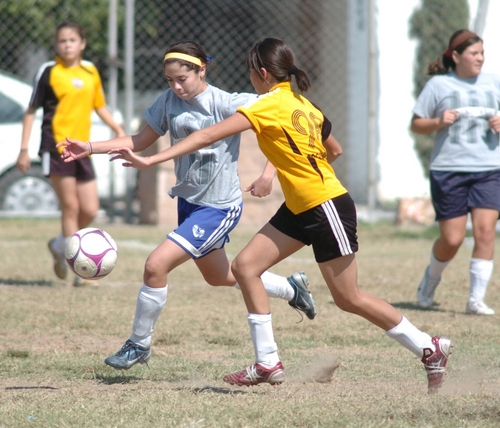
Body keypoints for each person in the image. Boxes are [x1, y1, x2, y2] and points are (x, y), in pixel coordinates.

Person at [62, 38, 453, 394]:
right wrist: (284, 170)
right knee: (245, 267)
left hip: (325, 206)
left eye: (250, 71)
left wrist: (151, 160)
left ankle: (428, 346)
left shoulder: (263, 104)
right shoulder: (302, 103)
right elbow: (332, 149)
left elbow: (206, 135)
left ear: (261, 73)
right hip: (300, 206)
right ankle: (268, 362)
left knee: (349, 298)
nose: (248, 77)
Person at [57, 40, 316, 370]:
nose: (176, 87)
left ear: (201, 70)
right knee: (219, 276)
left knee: (156, 265)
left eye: (183, 79)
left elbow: (283, 122)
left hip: (219, 208)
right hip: (189, 204)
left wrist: (268, 174)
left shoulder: (226, 103)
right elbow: (139, 141)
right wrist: (90, 147)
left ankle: (139, 344)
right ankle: (291, 288)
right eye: (170, 80)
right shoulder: (168, 101)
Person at [16, 20, 126, 287]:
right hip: (56, 147)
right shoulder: (49, 72)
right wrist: (24, 149)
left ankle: (58, 245)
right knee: (71, 207)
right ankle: (79, 272)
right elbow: (31, 111)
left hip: (82, 149)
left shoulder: (90, 72)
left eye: (72, 40)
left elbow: (99, 105)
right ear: (56, 45)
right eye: (62, 41)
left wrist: (117, 128)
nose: (67, 45)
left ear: (82, 44)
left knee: (90, 209)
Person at [412, 29, 500, 316]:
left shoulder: (494, 82)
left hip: (489, 169)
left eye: (482, 53)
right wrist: (438, 121)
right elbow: (416, 124)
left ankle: (475, 300)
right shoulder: (438, 85)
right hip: (448, 169)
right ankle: (430, 279)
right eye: (474, 53)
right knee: (452, 239)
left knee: (485, 231)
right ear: (456, 56)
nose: (480, 58)